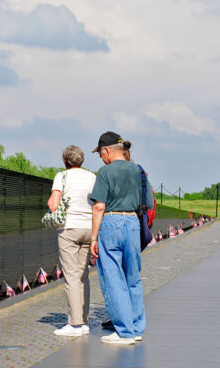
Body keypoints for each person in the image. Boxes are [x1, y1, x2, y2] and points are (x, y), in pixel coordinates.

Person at [89, 132, 154, 345]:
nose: (101, 158)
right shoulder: (139, 171)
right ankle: (136, 328)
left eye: (100, 153)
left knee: (113, 279)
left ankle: (124, 332)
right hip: (133, 224)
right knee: (133, 277)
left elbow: (99, 206)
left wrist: (93, 238)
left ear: (107, 151)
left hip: (111, 223)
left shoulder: (105, 172)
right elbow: (149, 203)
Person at [47, 145, 96, 337]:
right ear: (82, 160)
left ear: (65, 161)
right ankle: (84, 321)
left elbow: (53, 205)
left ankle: (75, 325)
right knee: (83, 275)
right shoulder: (92, 177)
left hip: (69, 229)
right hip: (89, 228)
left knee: (71, 276)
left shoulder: (62, 176)